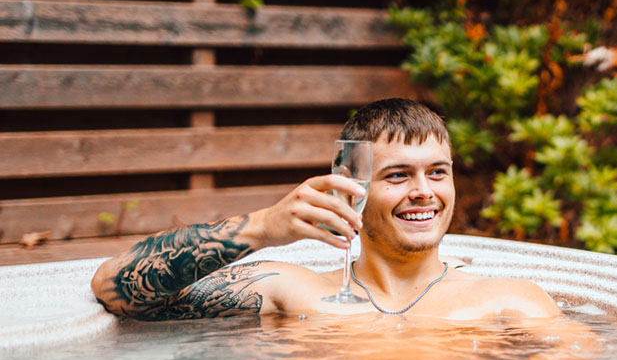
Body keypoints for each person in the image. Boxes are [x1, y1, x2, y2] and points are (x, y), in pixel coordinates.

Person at [91, 98, 560, 322]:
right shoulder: (294, 292)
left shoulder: (508, 302)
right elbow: (115, 288)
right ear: (351, 189)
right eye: (398, 175)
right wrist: (263, 227)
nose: (423, 191)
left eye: (437, 172)